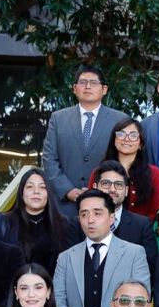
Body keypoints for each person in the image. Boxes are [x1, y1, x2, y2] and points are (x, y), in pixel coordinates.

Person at [42, 65, 126, 216]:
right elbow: (49, 158)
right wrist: (67, 190)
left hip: (105, 204)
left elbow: (124, 159)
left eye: (93, 83)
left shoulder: (120, 120)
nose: (88, 87)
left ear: (104, 89)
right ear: (74, 88)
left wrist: (102, 189)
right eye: (82, 82)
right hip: (64, 206)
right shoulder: (58, 118)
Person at [0, 168, 75, 277]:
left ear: (49, 193)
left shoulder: (65, 224)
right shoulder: (2, 222)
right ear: (21, 192)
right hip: (12, 290)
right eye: (30, 187)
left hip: (52, 291)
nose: (36, 191)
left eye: (42, 187)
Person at [89, 160, 159, 277]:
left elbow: (148, 269)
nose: (112, 189)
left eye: (118, 185)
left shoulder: (142, 225)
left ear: (126, 191)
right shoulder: (77, 224)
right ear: (95, 187)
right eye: (106, 183)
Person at [89, 117, 159, 219]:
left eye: (133, 135)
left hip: (142, 232)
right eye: (121, 134)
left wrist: (142, 229)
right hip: (105, 231)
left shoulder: (154, 173)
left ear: (141, 144)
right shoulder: (99, 172)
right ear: (114, 140)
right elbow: (90, 204)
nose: (126, 139)